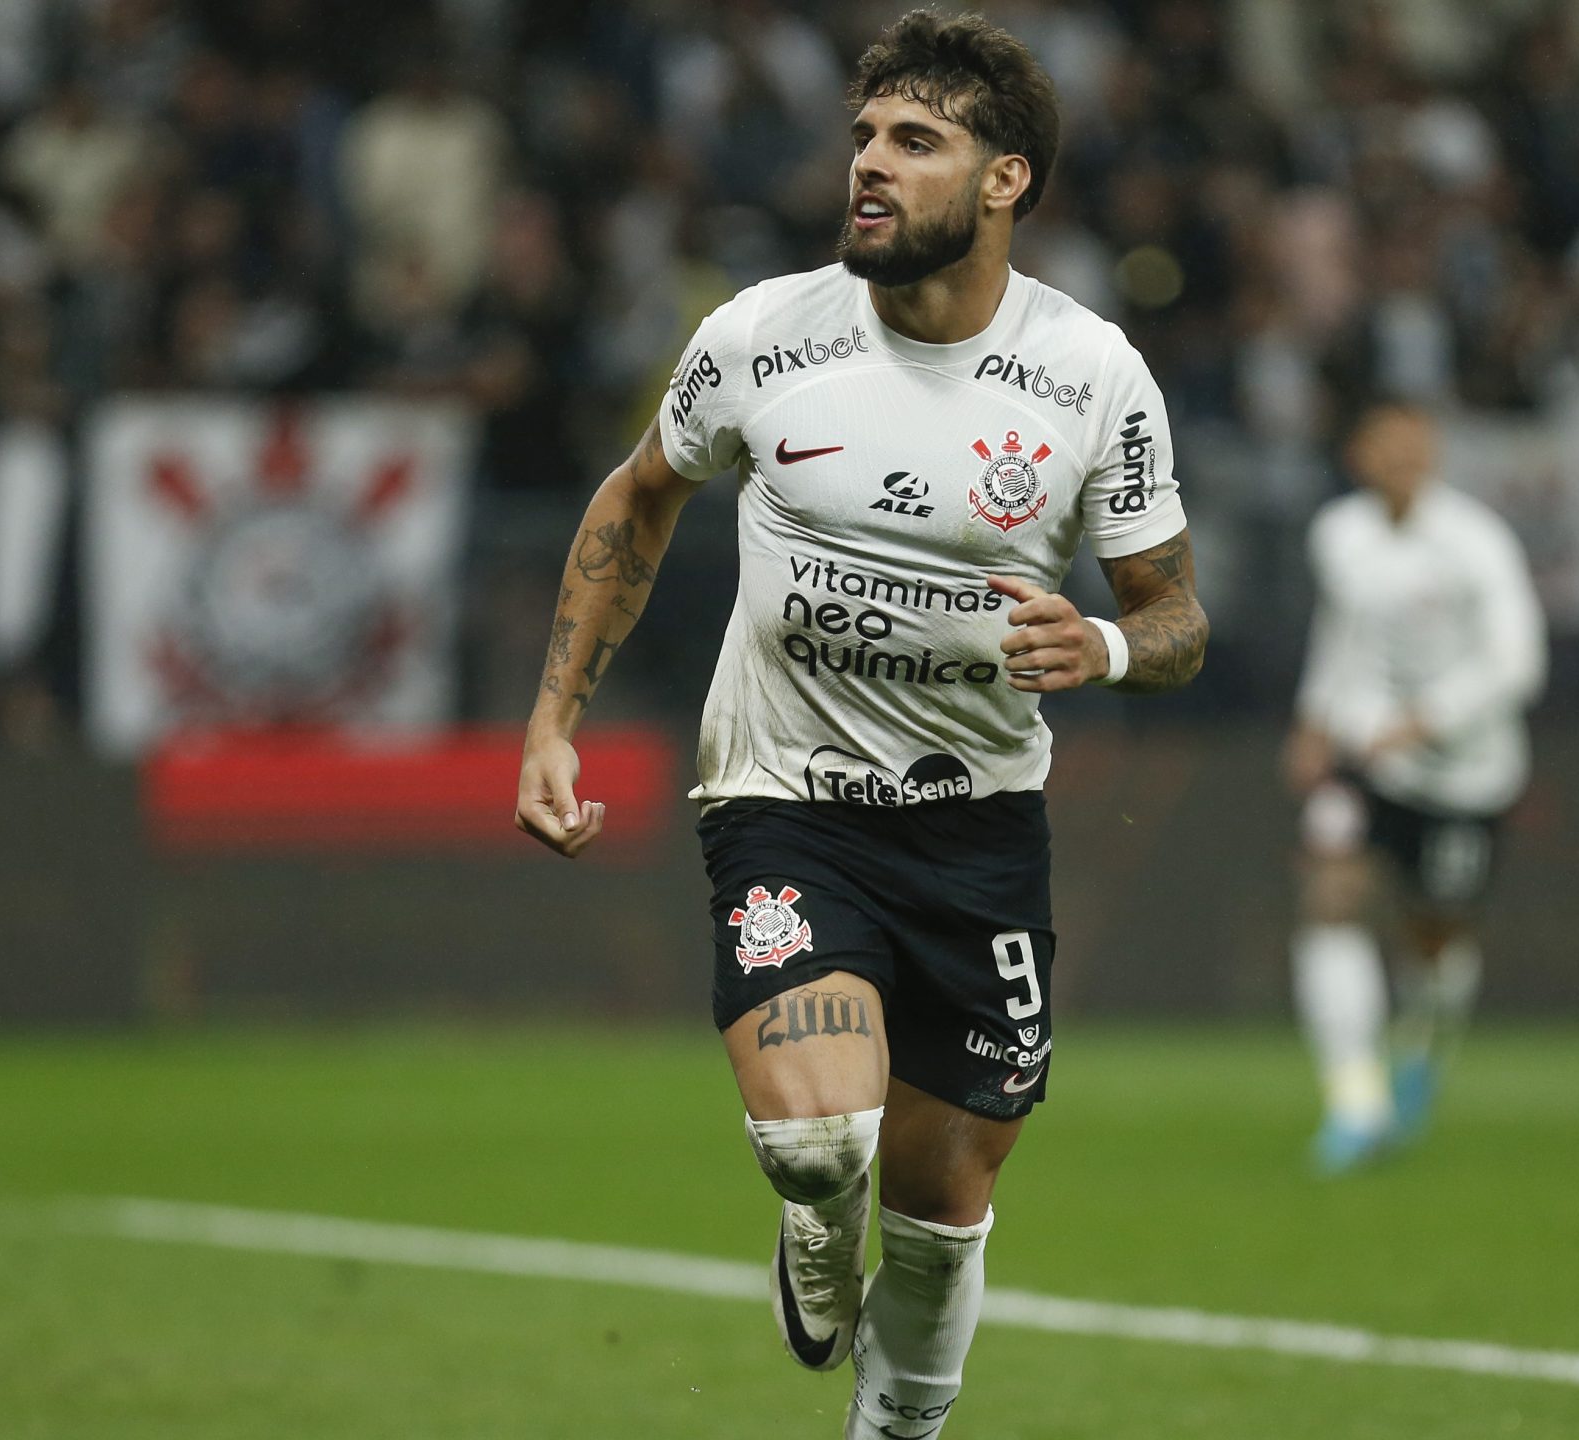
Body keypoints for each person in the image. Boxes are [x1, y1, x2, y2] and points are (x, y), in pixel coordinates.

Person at [512, 11, 1206, 1437]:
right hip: (784, 798)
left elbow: (1179, 616)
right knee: (825, 1141)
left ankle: (900, 1428)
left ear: (1006, 179)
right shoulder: (762, 338)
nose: (869, 170)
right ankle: (812, 1218)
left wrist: (1113, 644)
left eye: (915, 141)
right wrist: (552, 719)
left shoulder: (1092, 378)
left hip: (982, 830)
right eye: (864, 140)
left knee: (945, 1208)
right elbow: (638, 498)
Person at [1280, 401, 1544, 1174]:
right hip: (1370, 759)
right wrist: (1314, 721)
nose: (1402, 457)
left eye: (1415, 443)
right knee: (1329, 899)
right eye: (1384, 443)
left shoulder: (1476, 543)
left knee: (1436, 942)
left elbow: (1518, 661)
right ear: (1357, 453)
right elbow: (1342, 634)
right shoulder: (1339, 534)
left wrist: (1428, 721)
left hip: (1467, 774)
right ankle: (1354, 1102)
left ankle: (1424, 1045)